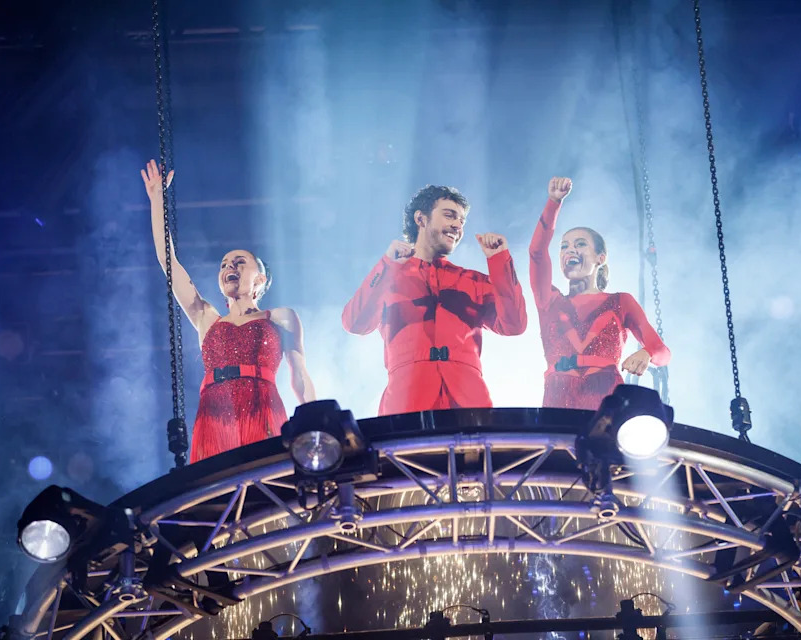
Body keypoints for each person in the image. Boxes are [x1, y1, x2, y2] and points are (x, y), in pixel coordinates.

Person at [141, 159, 316, 462]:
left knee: (263, 480)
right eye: (223, 265)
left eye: (239, 262)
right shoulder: (206, 317)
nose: (229, 267)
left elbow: (299, 374)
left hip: (262, 408)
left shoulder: (281, 318)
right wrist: (158, 201)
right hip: (214, 414)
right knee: (218, 483)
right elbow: (168, 263)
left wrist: (316, 425)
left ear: (260, 279)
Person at [342, 185, 527, 415]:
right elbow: (355, 323)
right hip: (407, 404)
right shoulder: (389, 276)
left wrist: (500, 262)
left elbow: (515, 325)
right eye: (449, 215)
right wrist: (387, 265)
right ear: (421, 219)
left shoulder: (473, 281)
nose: (458, 225)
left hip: (470, 405)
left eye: (462, 221)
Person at [529, 176, 670, 410]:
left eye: (580, 244)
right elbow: (537, 253)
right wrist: (553, 202)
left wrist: (646, 353)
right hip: (557, 399)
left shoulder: (621, 301)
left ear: (600, 258)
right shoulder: (549, 301)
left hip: (606, 398)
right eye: (564, 246)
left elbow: (662, 351)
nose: (570, 250)